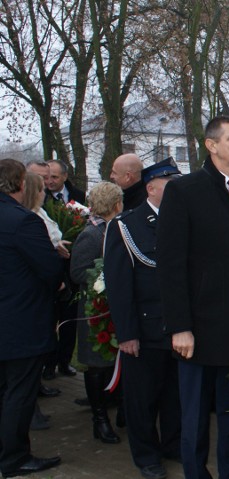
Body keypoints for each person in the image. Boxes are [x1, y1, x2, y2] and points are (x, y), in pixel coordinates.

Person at [157, 116, 229, 479]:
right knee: (194, 421)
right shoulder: (184, 191)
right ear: (211, 145)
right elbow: (171, 265)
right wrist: (180, 327)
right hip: (198, 332)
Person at [102, 158, 183, 479]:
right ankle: (146, 455)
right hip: (145, 328)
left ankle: (173, 444)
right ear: (151, 187)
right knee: (143, 399)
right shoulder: (126, 224)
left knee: (175, 395)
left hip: (178, 327)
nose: (176, 186)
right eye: (169, 182)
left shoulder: (183, 219)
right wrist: (127, 333)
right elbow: (119, 285)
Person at [0, 158, 64, 477]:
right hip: (20, 321)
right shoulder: (23, 221)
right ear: (21, 185)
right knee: (19, 393)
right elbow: (50, 269)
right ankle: (13, 458)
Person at [70, 182, 124, 445]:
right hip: (96, 311)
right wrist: (105, 277)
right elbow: (77, 272)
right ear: (117, 204)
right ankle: (99, 420)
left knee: (116, 361)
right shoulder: (90, 235)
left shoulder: (118, 229)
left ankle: (120, 409)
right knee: (97, 364)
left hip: (117, 307)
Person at [42, 159, 84, 381]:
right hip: (51, 271)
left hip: (72, 267)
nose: (49, 182)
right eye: (46, 178)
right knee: (50, 320)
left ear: (65, 177)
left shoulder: (79, 196)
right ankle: (48, 364)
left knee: (70, 320)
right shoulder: (40, 199)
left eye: (54, 177)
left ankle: (65, 361)